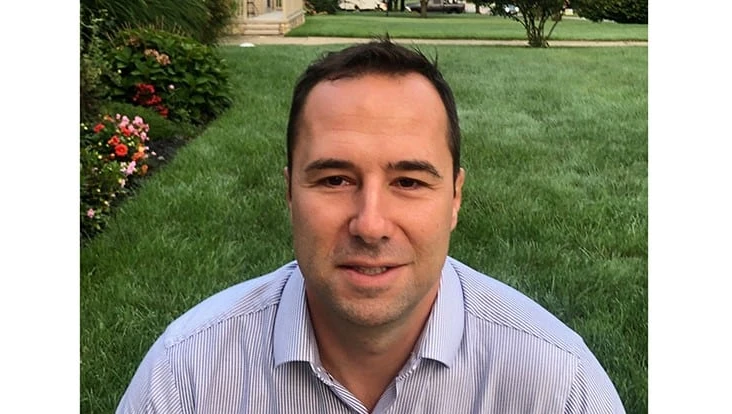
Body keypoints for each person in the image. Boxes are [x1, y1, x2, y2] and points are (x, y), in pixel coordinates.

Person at [117, 38, 625, 413]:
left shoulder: (559, 384)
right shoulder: (184, 377)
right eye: (335, 179)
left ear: (455, 198)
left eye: (409, 182)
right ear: (289, 193)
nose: (371, 224)